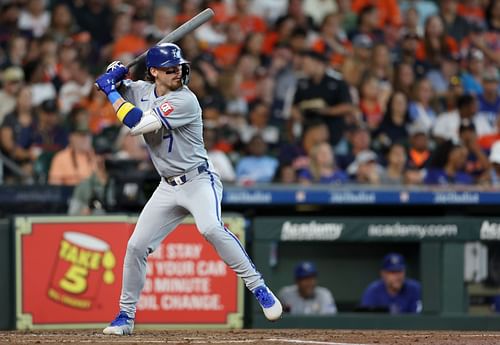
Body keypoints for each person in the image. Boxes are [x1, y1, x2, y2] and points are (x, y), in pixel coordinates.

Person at [94, 43, 282, 335]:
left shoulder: (185, 100)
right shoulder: (143, 90)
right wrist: (113, 74)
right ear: (154, 72)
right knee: (135, 247)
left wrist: (111, 90)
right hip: (167, 185)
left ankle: (258, 287)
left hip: (198, 179)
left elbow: (138, 123)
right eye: (170, 69)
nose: (177, 73)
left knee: (210, 228)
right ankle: (125, 316)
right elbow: (122, 87)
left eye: (179, 67)